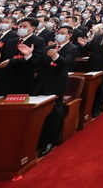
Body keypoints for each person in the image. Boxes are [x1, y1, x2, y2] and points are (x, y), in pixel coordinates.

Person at [34, 26, 79, 157]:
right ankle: (38, 138)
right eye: (58, 33)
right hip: (41, 83)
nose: (58, 35)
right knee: (39, 111)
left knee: (54, 112)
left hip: (57, 84)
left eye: (62, 33)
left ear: (69, 35)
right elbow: (39, 63)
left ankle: (49, 140)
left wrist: (56, 56)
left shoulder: (72, 48)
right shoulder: (47, 48)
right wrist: (29, 55)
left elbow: (68, 64)